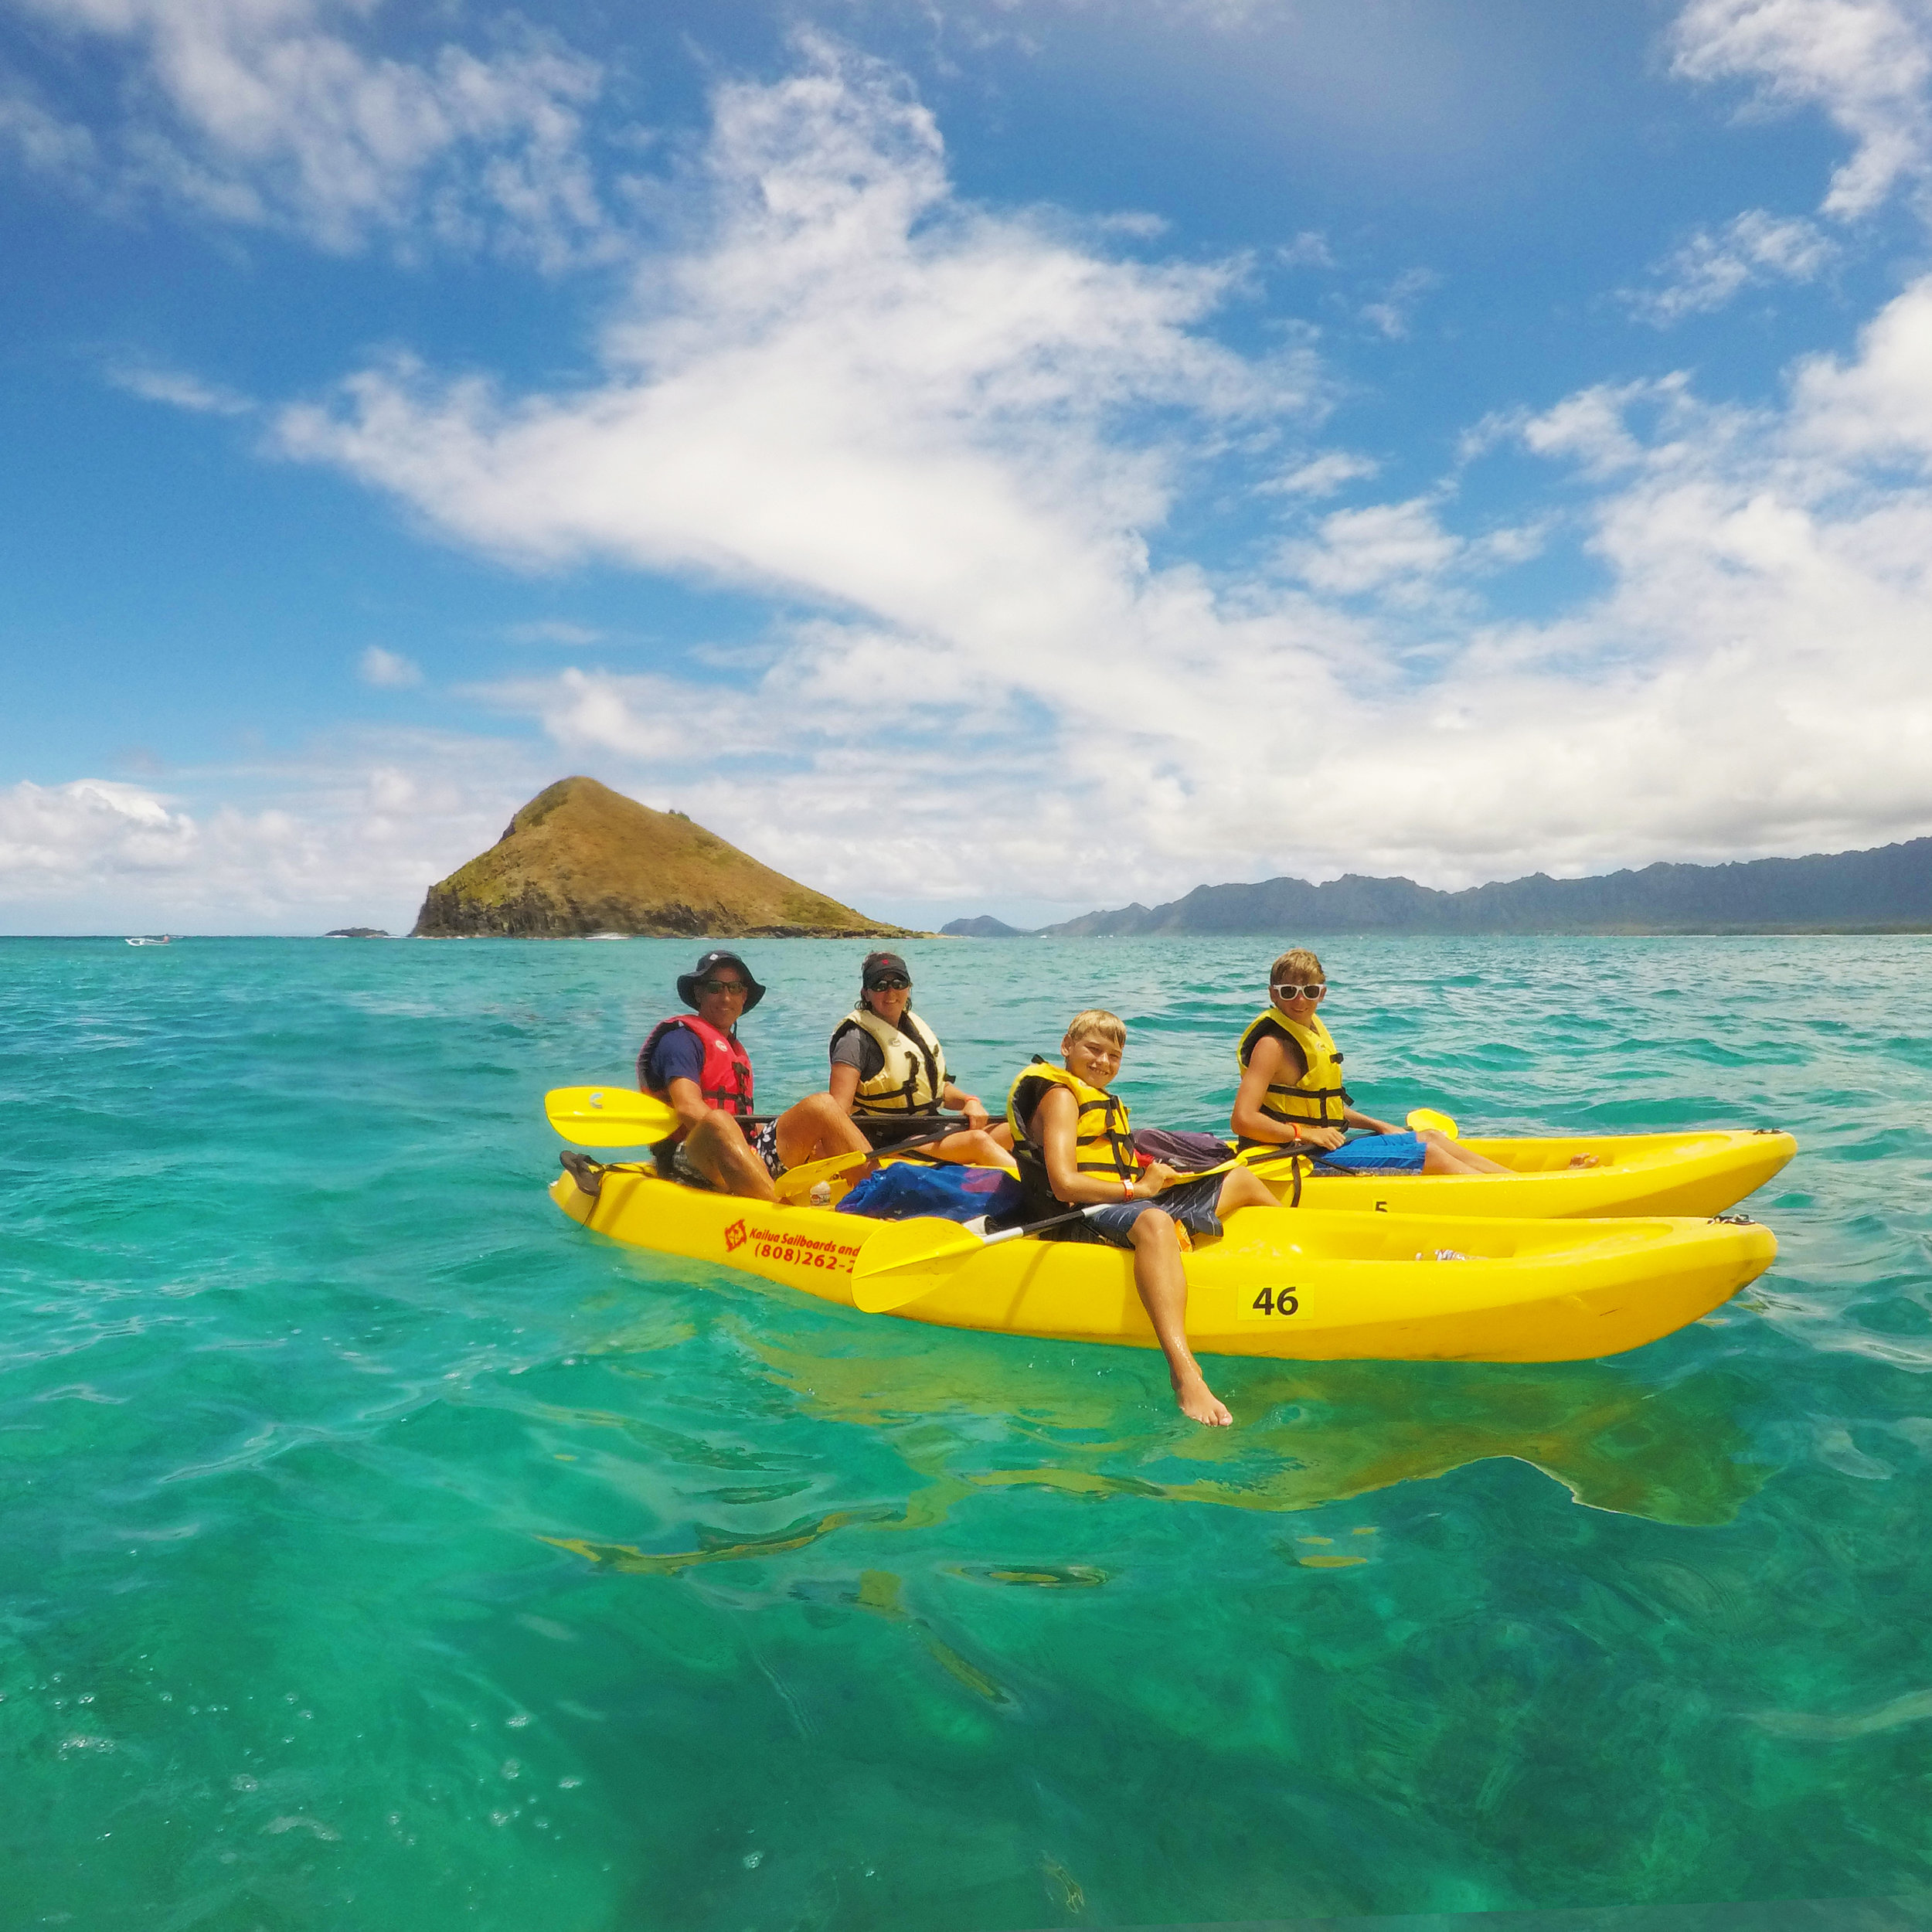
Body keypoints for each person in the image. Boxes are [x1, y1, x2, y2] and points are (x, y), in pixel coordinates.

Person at [1007, 1009, 1277, 1429]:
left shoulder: (1091, 1096)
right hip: (1079, 1214)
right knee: (1154, 1222)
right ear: (1066, 1047)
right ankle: (1185, 1373)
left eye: (1113, 1055)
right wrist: (1141, 1190)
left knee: (1240, 1179)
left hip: (1122, 1202)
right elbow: (1063, 1184)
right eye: (1093, 1049)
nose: (1103, 1062)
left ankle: (1284, 1266)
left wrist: (1152, 1174)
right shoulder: (1060, 1096)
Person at [1230, 948, 1511, 1176]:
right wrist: (1305, 1133)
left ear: (1322, 994)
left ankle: (1516, 1180)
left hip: (1320, 1148)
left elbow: (1319, 1108)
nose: (1301, 1000)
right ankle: (1509, 1196)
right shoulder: (1272, 1045)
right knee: (1428, 1153)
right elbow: (1243, 1120)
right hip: (1289, 1159)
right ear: (1273, 993)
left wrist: (1378, 1125)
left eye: (1310, 991)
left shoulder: (1310, 1031)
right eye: (1289, 991)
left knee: (1432, 1138)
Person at [637, 950, 867, 1202]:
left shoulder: (734, 1049)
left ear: (744, 996)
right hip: (690, 1160)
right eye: (715, 988)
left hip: (743, 1155)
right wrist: (744, 1148)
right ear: (698, 993)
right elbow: (688, 1108)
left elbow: (742, 1119)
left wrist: (795, 1135)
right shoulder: (680, 1040)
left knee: (822, 1106)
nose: (726, 997)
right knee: (718, 1122)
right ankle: (782, 1212)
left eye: (734, 988)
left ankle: (885, 1191)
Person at [827, 952, 1015, 1172]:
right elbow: (836, 1113)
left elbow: (936, 1089)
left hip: (930, 1128)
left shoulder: (911, 1028)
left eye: (899, 983)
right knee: (978, 1142)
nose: (891, 992)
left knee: (1014, 1130)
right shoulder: (854, 1040)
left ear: (908, 987)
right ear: (866, 993)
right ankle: (1048, 1199)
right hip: (889, 1142)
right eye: (880, 985)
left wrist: (969, 1101)